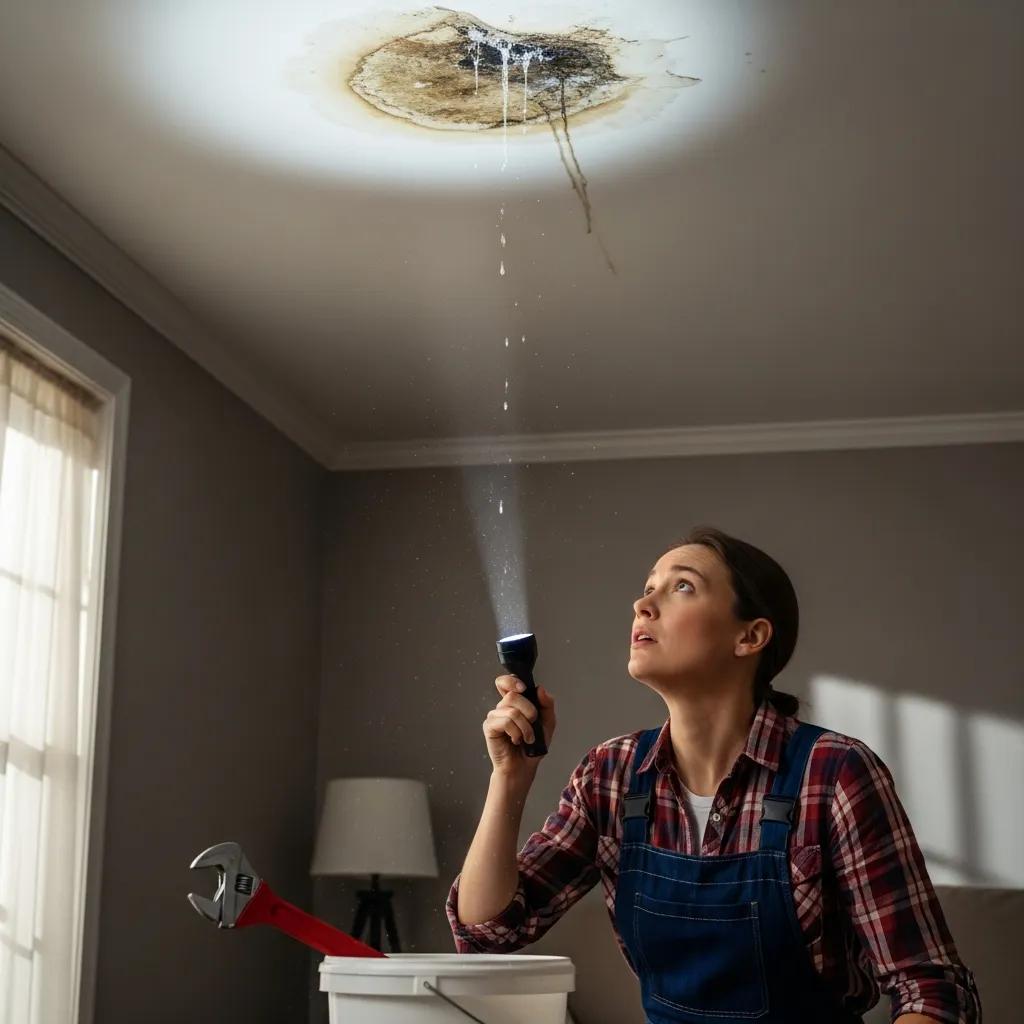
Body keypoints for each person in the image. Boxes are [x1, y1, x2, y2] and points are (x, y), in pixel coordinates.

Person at [446, 525, 981, 1023]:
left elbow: (932, 988)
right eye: (647, 587)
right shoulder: (610, 774)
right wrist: (510, 780)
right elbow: (490, 930)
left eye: (681, 587)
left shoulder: (834, 772)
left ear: (750, 636)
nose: (642, 604)